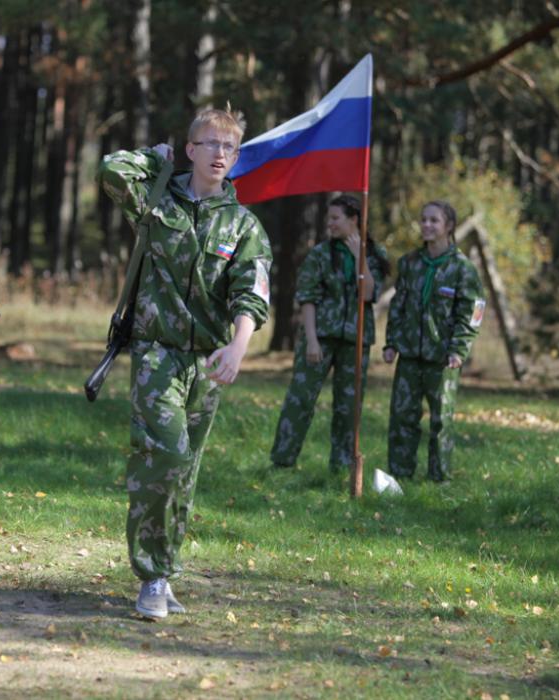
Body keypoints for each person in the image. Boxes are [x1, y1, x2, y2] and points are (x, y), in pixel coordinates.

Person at [97, 108, 273, 620]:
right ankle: (150, 575)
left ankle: (165, 570)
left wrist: (238, 347)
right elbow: (110, 171)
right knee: (165, 455)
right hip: (157, 352)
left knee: (186, 470)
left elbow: (251, 294)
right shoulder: (155, 202)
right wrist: (151, 160)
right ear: (191, 149)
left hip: (209, 362)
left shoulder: (243, 224)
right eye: (211, 144)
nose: (221, 154)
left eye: (230, 148)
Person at [269, 194, 389, 473]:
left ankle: (342, 466)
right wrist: (311, 340)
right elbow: (308, 299)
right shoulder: (321, 254)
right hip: (319, 337)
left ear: (354, 220)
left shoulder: (375, 254)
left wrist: (361, 259)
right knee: (300, 399)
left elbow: (369, 293)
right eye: (328, 219)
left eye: (335, 219)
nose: (330, 224)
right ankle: (282, 462)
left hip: (356, 340)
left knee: (349, 407)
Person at [382, 200, 485, 482]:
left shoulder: (462, 269)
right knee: (402, 417)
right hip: (409, 357)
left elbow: (473, 312)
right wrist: (391, 342)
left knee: (440, 421)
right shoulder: (410, 263)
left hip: (442, 358)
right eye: (424, 220)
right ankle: (399, 476)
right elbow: (398, 306)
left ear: (448, 227)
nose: (426, 225)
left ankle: (439, 479)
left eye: (434, 221)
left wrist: (459, 348)